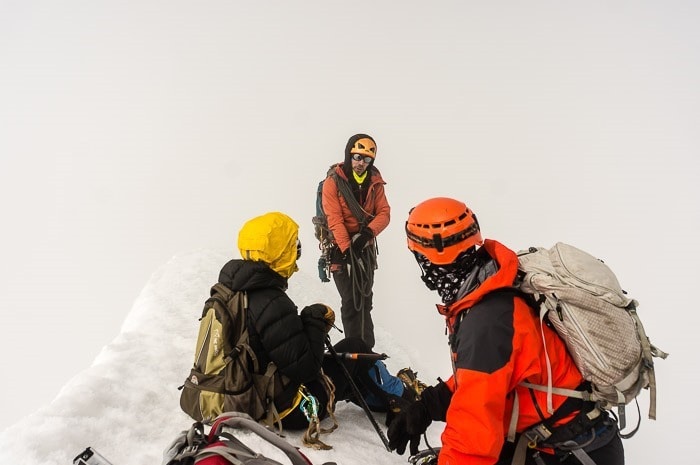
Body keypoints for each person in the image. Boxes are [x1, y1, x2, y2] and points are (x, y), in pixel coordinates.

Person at [387, 197, 625, 465]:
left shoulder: (487, 321)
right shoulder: (493, 286)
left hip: (567, 453)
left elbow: (471, 439)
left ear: (433, 258)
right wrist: (428, 405)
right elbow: (484, 379)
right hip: (573, 441)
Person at [222, 211, 411, 440]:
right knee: (356, 348)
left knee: (344, 359)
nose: (296, 252)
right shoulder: (271, 300)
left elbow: (269, 343)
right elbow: (306, 368)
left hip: (244, 393)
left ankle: (382, 391)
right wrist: (315, 321)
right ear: (278, 252)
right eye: (293, 246)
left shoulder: (228, 292)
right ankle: (402, 395)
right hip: (287, 410)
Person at [321, 133, 391, 350]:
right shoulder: (333, 183)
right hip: (340, 250)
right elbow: (334, 218)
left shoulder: (375, 182)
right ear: (349, 155)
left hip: (365, 249)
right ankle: (355, 351)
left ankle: (365, 349)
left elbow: (384, 213)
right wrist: (346, 248)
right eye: (357, 157)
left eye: (367, 159)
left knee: (365, 301)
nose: (361, 163)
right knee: (351, 302)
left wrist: (367, 234)